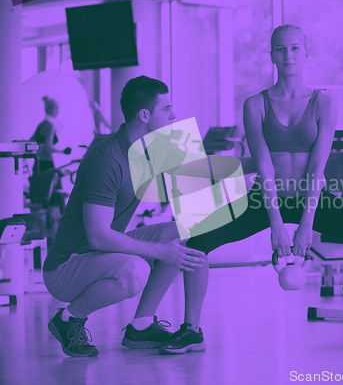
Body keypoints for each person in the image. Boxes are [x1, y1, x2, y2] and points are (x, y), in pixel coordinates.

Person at [158, 25, 343, 354]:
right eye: (281, 49)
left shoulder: (323, 103)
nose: (288, 55)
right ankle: (192, 329)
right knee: (197, 243)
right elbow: (265, 166)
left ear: (306, 53)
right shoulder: (255, 105)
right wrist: (276, 225)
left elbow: (317, 168)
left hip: (312, 197)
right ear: (272, 54)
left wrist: (306, 224)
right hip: (264, 196)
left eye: (295, 48)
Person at [43, 76, 223, 357]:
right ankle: (68, 320)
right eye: (167, 109)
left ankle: (141, 326)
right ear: (145, 115)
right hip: (67, 267)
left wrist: (263, 163)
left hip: (96, 254)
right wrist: (159, 252)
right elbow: (99, 235)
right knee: (135, 271)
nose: (174, 115)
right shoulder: (107, 159)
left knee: (182, 231)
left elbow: (201, 167)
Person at [30, 96, 71, 172]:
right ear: (52, 110)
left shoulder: (41, 125)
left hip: (38, 162)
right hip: (47, 164)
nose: (58, 112)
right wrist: (63, 151)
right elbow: (48, 148)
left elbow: (31, 141)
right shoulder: (50, 126)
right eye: (57, 109)